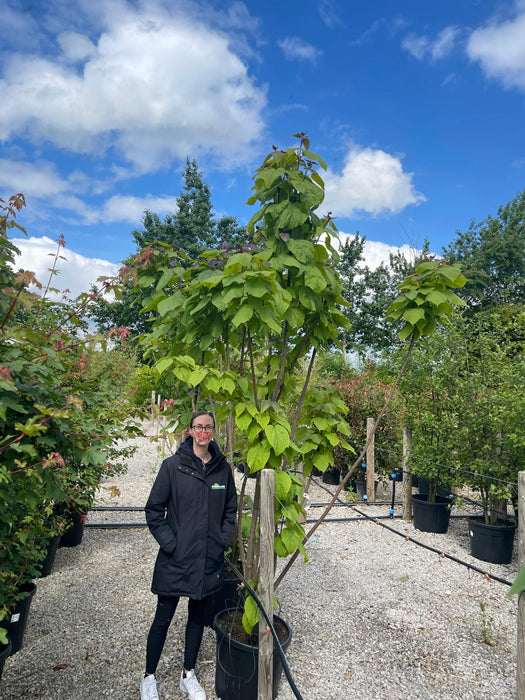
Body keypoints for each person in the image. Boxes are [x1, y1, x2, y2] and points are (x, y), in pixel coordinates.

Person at [140, 410, 237, 700]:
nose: (203, 432)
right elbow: (154, 510)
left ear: (213, 431)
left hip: (207, 560)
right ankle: (148, 677)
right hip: (176, 559)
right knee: (163, 618)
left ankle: (188, 674)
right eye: (198, 427)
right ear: (190, 431)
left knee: (196, 618)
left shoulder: (223, 470)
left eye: (208, 428)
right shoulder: (172, 467)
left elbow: (230, 510)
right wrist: (170, 543)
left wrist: (221, 541)